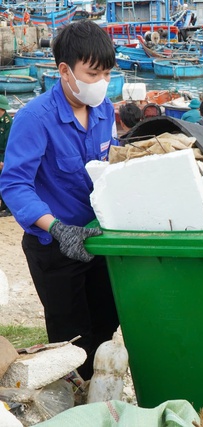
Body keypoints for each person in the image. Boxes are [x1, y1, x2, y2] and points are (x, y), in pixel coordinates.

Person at [0, 20, 120, 380]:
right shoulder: (34, 118)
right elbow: (15, 184)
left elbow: (110, 166)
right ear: (64, 71)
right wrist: (56, 227)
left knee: (106, 325)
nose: (100, 82)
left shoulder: (105, 110)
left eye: (107, 74)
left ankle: (101, 397)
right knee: (71, 342)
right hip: (55, 245)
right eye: (93, 73)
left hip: (98, 238)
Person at [0, 95, 13, 217]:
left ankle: (9, 209)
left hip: (5, 155)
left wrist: (4, 161)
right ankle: (3, 205)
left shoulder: (8, 123)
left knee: (6, 181)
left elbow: (10, 144)